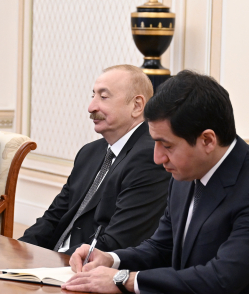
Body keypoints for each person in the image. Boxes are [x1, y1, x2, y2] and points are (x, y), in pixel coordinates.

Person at [62, 70, 249, 294]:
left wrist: (123, 279)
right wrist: (111, 259)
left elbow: (221, 279)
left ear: (207, 140)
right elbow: (161, 247)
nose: (157, 158)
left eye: (166, 145)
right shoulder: (185, 172)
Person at [19, 65, 171, 253]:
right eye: (93, 96)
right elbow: (53, 217)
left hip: (88, 266)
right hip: (56, 259)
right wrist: (18, 251)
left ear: (137, 105)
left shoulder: (150, 158)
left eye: (104, 97)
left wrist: (57, 263)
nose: (91, 107)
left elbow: (118, 241)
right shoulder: (89, 152)